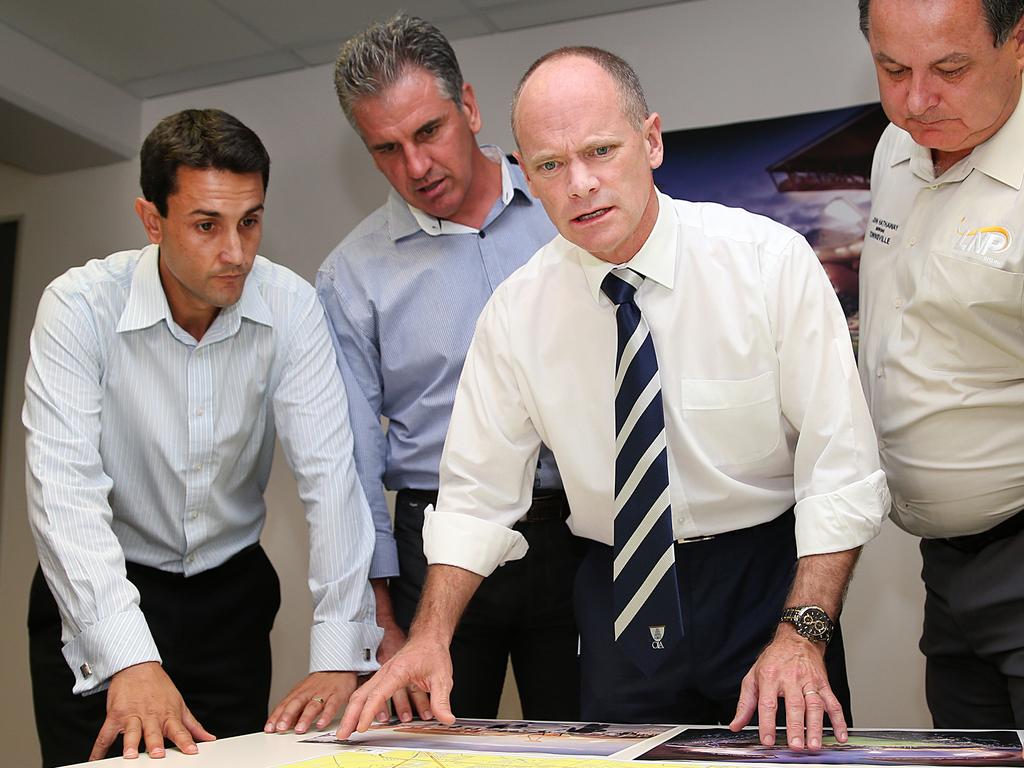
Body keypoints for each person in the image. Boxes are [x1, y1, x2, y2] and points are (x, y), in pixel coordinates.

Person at [340, 47, 889, 750]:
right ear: (525, 174)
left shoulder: (767, 263)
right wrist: (430, 636)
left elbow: (838, 466)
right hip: (615, 597)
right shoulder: (516, 314)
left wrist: (803, 633)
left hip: (765, 589)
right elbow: (477, 496)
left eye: (600, 150)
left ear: (652, 140)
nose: (581, 185)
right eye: (550, 166)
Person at [24, 108, 381, 767]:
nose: (237, 252)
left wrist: (341, 654)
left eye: (250, 221)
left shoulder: (290, 307)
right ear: (151, 220)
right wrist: (128, 656)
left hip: (229, 602)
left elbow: (332, 480)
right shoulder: (78, 308)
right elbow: (64, 493)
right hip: (100, 586)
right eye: (207, 225)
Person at [317, 14, 582, 722]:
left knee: (597, 738)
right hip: (433, 543)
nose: (416, 167)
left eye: (428, 131)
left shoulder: (569, 207)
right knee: (438, 745)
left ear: (468, 106)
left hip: (581, 530)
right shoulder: (352, 274)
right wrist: (380, 611)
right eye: (387, 148)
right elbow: (351, 456)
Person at [857, 0, 1024, 728]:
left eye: (950, 69)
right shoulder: (895, 150)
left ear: (1018, 42)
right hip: (946, 567)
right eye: (892, 69)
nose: (915, 100)